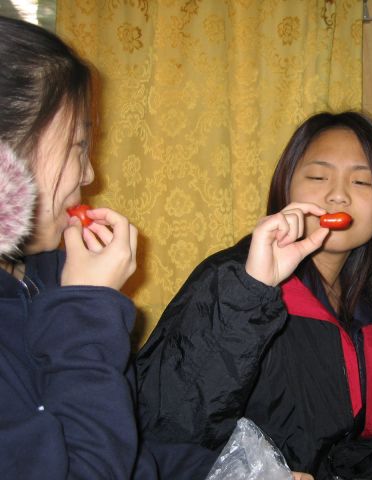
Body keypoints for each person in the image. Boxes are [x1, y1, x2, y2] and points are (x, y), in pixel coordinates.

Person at [136, 111, 372, 479]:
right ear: (285, 191)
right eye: (318, 177)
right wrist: (251, 291)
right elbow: (169, 421)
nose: (338, 195)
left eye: (361, 181)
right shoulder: (236, 281)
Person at [0, 15, 217, 479]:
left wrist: (237, 471)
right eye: (77, 145)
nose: (89, 174)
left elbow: (130, 450)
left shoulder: (42, 278)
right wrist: (85, 309)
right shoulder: (73, 300)